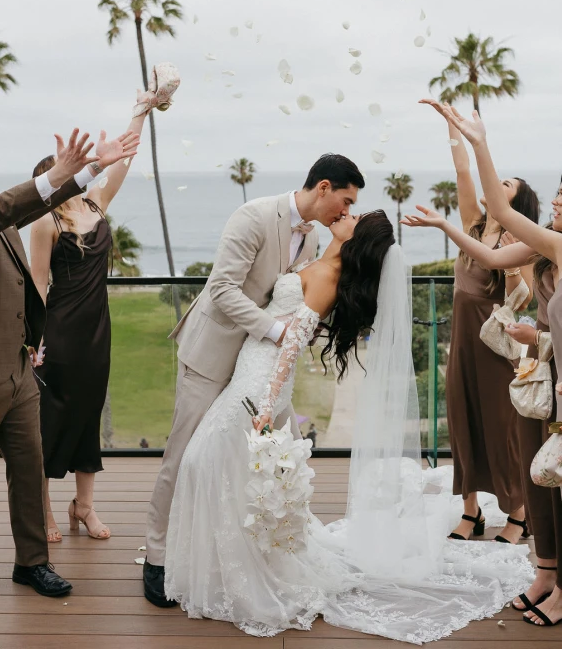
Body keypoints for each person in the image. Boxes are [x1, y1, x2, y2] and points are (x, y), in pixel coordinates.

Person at [164, 210, 534, 642]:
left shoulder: (326, 276)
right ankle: (229, 565)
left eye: (353, 216)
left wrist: (265, 406)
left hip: (259, 381)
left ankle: (245, 570)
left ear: (357, 237)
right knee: (218, 467)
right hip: (249, 371)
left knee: (200, 461)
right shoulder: (319, 256)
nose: (345, 214)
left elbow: (292, 344)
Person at [144, 154, 366, 607]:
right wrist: (278, 330)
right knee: (184, 453)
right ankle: (157, 556)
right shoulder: (253, 216)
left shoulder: (311, 240)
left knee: (276, 452)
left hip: (258, 366)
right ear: (323, 187)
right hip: (214, 353)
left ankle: (259, 550)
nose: (344, 213)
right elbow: (223, 289)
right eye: (344, 202)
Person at [402, 177, 562, 615]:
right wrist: (455, 133)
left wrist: (476, 141)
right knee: (482, 435)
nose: (557, 201)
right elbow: (484, 238)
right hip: (503, 358)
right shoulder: (507, 234)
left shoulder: (537, 242)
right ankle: (526, 556)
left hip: (521, 359)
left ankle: (532, 540)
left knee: (522, 448)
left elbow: (523, 292)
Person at [0, 127, 139, 597]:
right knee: (42, 443)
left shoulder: (83, 209)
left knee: (34, 455)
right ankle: (41, 541)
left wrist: (133, 123)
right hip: (21, 355)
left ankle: (33, 561)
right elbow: (31, 264)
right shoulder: (20, 219)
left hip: (43, 356)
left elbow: (116, 170)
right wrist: (68, 170)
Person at [412, 99, 539, 545]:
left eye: (505, 183)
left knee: (500, 429)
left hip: (495, 345)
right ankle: (471, 512)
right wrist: (452, 127)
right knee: (462, 422)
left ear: (516, 200)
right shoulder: (474, 222)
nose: (494, 184)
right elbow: (465, 172)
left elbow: (523, 295)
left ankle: (517, 513)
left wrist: (508, 260)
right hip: (462, 341)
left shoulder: (519, 241)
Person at [29, 109, 149, 544]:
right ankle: (43, 512)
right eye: (66, 172)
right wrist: (33, 342)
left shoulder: (97, 204)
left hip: (98, 331)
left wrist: (142, 112)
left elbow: (123, 160)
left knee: (87, 415)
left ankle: (84, 507)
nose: (76, 176)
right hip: (59, 333)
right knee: (50, 421)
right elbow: (38, 285)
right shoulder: (46, 222)